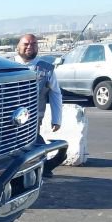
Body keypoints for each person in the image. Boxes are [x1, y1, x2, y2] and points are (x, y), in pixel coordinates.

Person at [15, 33, 66, 177]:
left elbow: (55, 93)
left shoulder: (46, 69)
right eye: (26, 44)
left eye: (33, 44)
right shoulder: (6, 66)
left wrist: (57, 119)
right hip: (7, 118)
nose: (29, 47)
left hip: (33, 119)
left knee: (32, 143)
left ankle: (40, 168)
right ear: (18, 46)